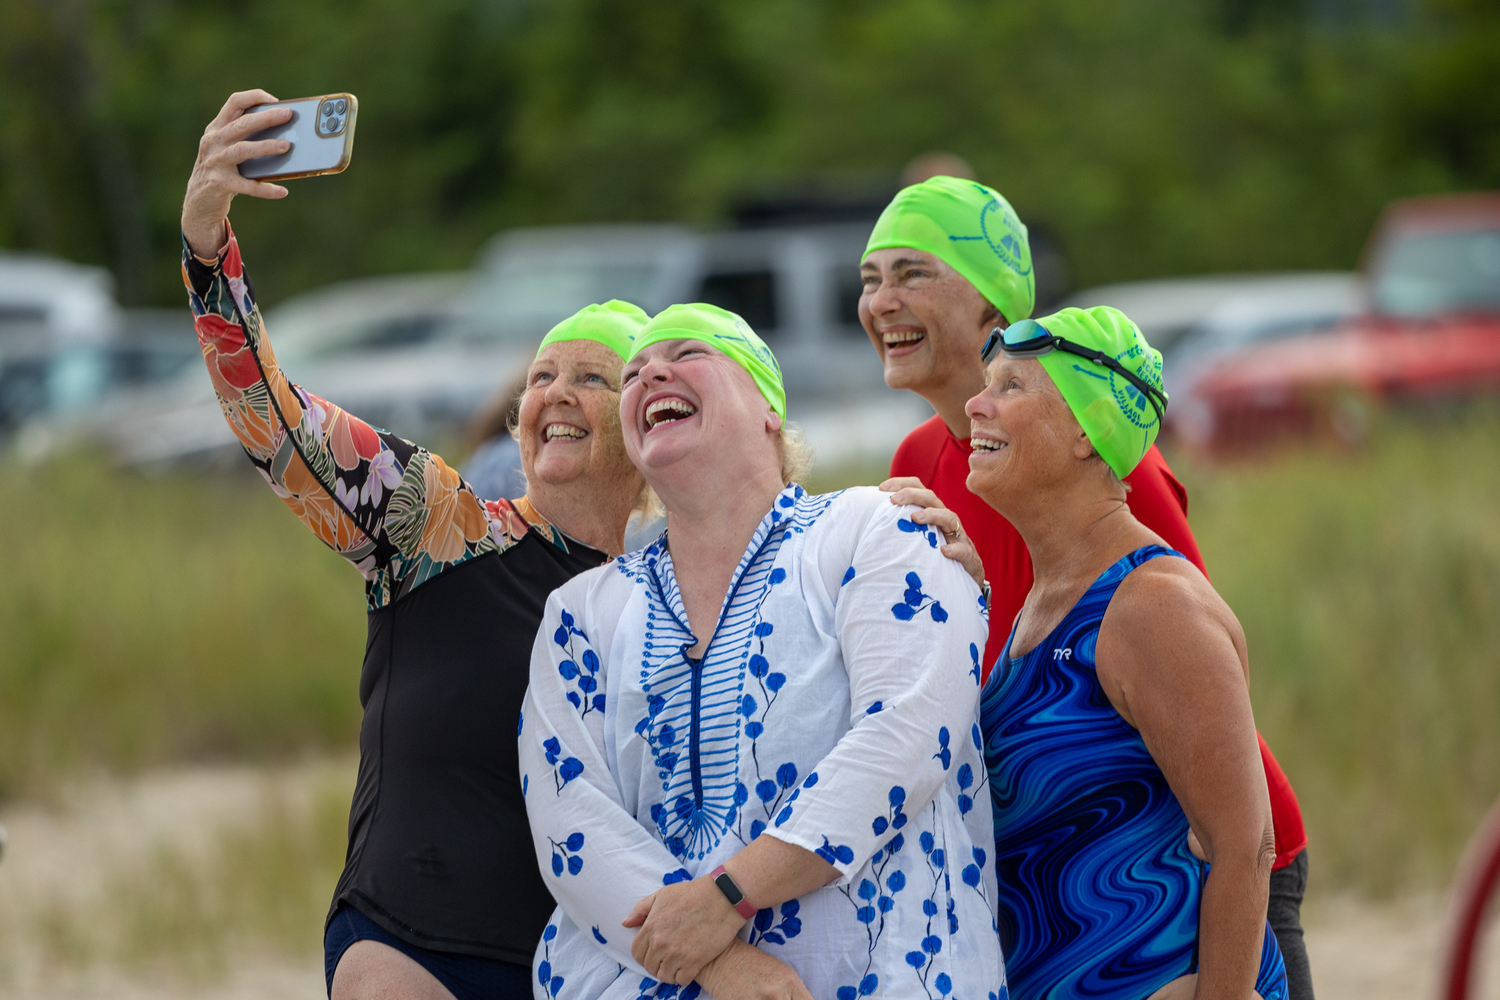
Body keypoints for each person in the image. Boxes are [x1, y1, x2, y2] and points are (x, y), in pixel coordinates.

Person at [181, 90, 651, 1000]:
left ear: (648, 421)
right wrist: (208, 255)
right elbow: (279, 424)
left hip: (580, 972)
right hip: (407, 943)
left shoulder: (677, 591)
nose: (553, 393)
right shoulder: (444, 528)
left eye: (591, 377)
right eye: (540, 378)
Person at [860, 176, 1314, 1000]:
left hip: (1200, 864)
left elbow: (1179, 663)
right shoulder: (922, 466)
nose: (883, 299)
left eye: (912, 273)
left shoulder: (1119, 489)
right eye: (870, 279)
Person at [519, 304, 1002, 999]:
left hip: (874, 975)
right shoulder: (584, 611)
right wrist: (721, 962)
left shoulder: (875, 529)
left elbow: (908, 731)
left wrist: (730, 895)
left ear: (769, 408)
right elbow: (570, 815)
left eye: (688, 354)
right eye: (632, 376)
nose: (652, 372)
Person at [969, 305, 1287, 999]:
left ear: (1088, 431)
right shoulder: (1041, 602)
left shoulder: (1152, 606)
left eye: (1011, 387)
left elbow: (1244, 847)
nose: (975, 404)